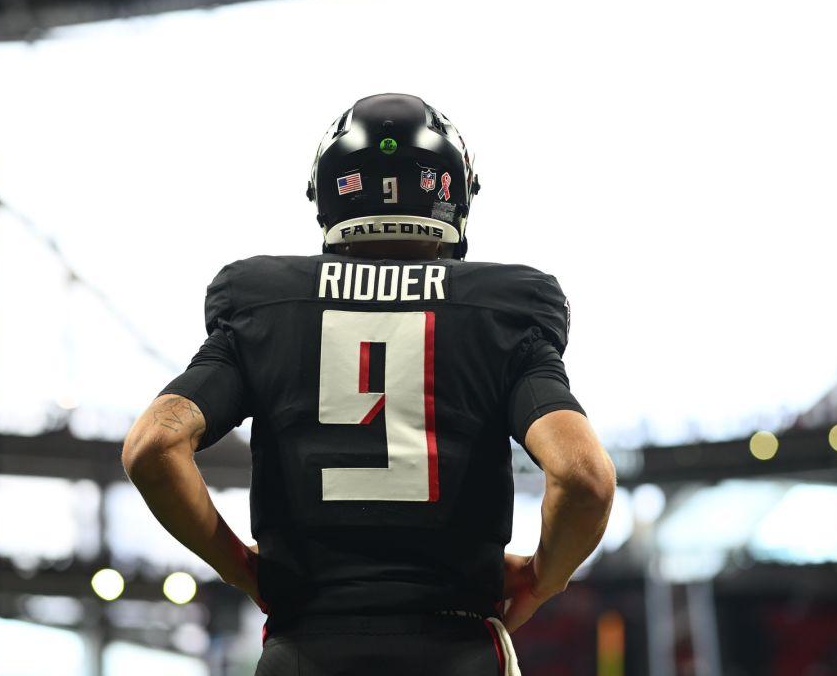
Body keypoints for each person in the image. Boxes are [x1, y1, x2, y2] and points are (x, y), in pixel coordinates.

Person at [121, 93, 616, 674]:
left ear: (328, 194)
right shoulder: (508, 308)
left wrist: (242, 566)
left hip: (302, 649)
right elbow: (584, 477)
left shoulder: (261, 302)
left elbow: (153, 446)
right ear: (453, 193)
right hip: (456, 651)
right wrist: (539, 581)